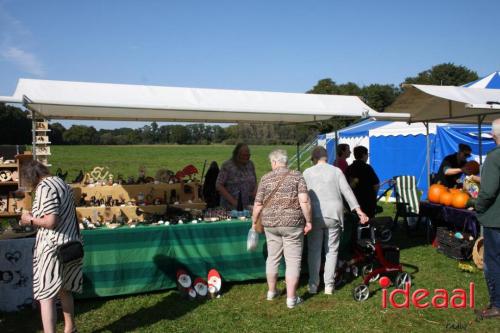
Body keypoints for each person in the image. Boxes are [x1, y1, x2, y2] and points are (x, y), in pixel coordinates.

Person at [19, 160, 82, 333]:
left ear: (31, 177)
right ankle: (70, 328)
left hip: (52, 248)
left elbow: (50, 221)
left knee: (46, 296)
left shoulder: (44, 188)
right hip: (70, 245)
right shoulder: (61, 183)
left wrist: (29, 219)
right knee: (65, 289)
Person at [304, 146, 369, 295]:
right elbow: (347, 191)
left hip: (315, 214)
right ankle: (329, 286)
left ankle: (313, 285)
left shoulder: (307, 172)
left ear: (314, 158)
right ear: (326, 157)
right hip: (334, 213)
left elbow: (303, 196)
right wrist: (358, 210)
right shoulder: (336, 171)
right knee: (331, 251)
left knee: (314, 251)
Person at [252, 149, 312, 309]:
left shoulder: (265, 178)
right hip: (292, 223)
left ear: (274, 162)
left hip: (270, 224)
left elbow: (257, 205)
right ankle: (291, 298)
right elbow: (304, 201)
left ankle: (271, 292)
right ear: (286, 162)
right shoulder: (297, 176)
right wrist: (309, 221)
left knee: (272, 257)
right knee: (293, 261)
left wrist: (253, 222)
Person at [475, 118, 500, 319]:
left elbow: (488, 191)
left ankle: (497, 304)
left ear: (493, 136)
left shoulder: (494, 157)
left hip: (496, 220)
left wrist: (478, 208)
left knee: (493, 262)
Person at [216, 143, 257, 209]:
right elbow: (219, 185)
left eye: (248, 155)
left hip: (248, 205)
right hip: (231, 206)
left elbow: (255, 181)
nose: (246, 157)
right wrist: (234, 202)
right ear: (236, 154)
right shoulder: (227, 166)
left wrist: (255, 192)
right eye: (243, 155)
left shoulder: (250, 164)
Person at [345, 146, 380, 218]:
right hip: (367, 202)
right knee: (368, 223)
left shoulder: (349, 168)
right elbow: (376, 185)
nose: (367, 156)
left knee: (355, 223)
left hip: (353, 202)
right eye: (367, 154)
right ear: (364, 155)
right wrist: (374, 196)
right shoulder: (367, 168)